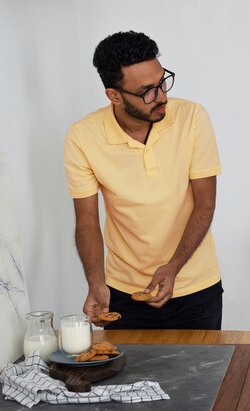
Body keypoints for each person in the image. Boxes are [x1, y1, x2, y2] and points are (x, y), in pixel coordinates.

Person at [63, 31, 223, 330]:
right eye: (147, 91)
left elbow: (206, 201)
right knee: (125, 378)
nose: (162, 96)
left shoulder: (192, 117)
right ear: (114, 95)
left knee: (201, 377)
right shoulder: (82, 136)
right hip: (122, 293)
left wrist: (173, 268)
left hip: (196, 287)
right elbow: (86, 220)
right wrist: (96, 283)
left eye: (163, 82)